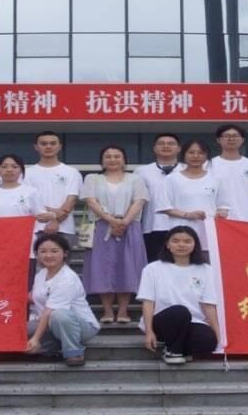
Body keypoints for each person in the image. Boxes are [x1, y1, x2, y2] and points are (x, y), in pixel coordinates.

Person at [80, 145, 148, 324]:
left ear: (124, 160)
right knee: (103, 268)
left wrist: (123, 222)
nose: (112, 159)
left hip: (129, 226)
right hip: (101, 226)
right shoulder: (92, 178)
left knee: (127, 267)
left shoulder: (135, 179)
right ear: (102, 161)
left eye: (117, 156)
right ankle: (107, 310)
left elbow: (139, 201)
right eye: (108, 156)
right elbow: (91, 201)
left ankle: (123, 310)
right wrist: (111, 220)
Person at [137, 226, 220, 365]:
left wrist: (218, 335)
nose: (181, 245)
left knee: (207, 340)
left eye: (187, 241)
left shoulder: (206, 269)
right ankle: (173, 351)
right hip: (163, 321)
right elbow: (148, 302)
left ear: (195, 244)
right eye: (175, 241)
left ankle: (178, 348)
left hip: (193, 321)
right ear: (167, 244)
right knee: (180, 312)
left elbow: (208, 304)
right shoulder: (153, 269)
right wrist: (149, 331)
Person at [25, 234, 100, 367]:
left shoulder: (67, 278)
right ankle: (53, 347)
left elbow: (49, 311)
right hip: (49, 322)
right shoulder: (41, 275)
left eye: (54, 251)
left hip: (80, 326)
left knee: (59, 314)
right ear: (37, 254)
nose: (48, 255)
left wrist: (36, 338)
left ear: (65, 253)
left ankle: (74, 352)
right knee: (20, 330)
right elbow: (34, 297)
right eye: (43, 251)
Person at [155, 140, 229, 253]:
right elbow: (164, 207)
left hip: (208, 234)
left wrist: (221, 213)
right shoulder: (171, 179)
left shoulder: (216, 179)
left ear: (207, 156)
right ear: (183, 155)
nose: (196, 156)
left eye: (200, 153)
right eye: (191, 152)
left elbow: (223, 206)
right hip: (180, 234)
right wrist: (188, 215)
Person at [25, 131, 83, 242]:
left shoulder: (72, 172)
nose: (48, 146)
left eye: (52, 143)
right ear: (36, 147)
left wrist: (56, 220)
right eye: (43, 143)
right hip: (34, 229)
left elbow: (71, 200)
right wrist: (54, 213)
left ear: (60, 146)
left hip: (64, 229)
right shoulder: (26, 173)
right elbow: (27, 201)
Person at [135, 133, 184, 262]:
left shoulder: (187, 169)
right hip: (152, 226)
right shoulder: (142, 171)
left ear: (179, 148)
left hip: (183, 226)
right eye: (161, 144)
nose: (166, 146)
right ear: (154, 148)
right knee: (155, 264)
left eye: (171, 144)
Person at [208, 124, 248, 223]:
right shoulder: (209, 165)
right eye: (227, 136)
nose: (231, 139)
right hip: (220, 220)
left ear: (242, 140)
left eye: (235, 136)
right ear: (218, 140)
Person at [0, 154, 54, 224]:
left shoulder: (32, 192)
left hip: (23, 234)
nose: (9, 170)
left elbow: (40, 216)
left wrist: (50, 216)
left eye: (15, 167)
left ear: (21, 170)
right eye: (4, 167)